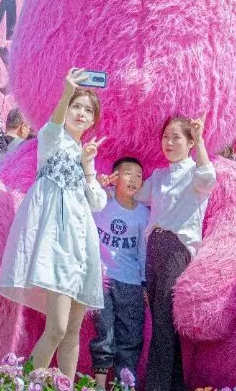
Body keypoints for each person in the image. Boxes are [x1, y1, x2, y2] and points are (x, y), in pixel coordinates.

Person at [0, 68, 108, 381]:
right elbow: (53, 126)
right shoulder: (52, 141)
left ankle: (64, 386)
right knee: (56, 328)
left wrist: (88, 165)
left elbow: (97, 202)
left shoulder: (84, 154)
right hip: (57, 248)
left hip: (81, 249)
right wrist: (66, 92)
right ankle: (27, 384)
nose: (81, 113)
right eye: (76, 106)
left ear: (93, 120)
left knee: (72, 333)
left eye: (88, 110)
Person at [136, 115, 215, 391]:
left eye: (176, 137)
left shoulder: (195, 173)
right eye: (165, 137)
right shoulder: (159, 176)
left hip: (176, 248)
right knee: (161, 321)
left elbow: (208, 178)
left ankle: (156, 387)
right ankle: (175, 385)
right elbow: (136, 195)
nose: (168, 143)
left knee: (163, 320)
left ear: (190, 142)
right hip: (154, 247)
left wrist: (201, 140)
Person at [92, 156, 149, 391]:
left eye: (138, 175)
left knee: (130, 339)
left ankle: (125, 386)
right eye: (127, 173)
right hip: (103, 281)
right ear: (115, 177)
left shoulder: (143, 214)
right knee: (104, 335)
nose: (134, 179)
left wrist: (144, 284)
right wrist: (97, 186)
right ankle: (98, 386)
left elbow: (143, 252)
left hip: (131, 284)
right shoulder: (101, 203)